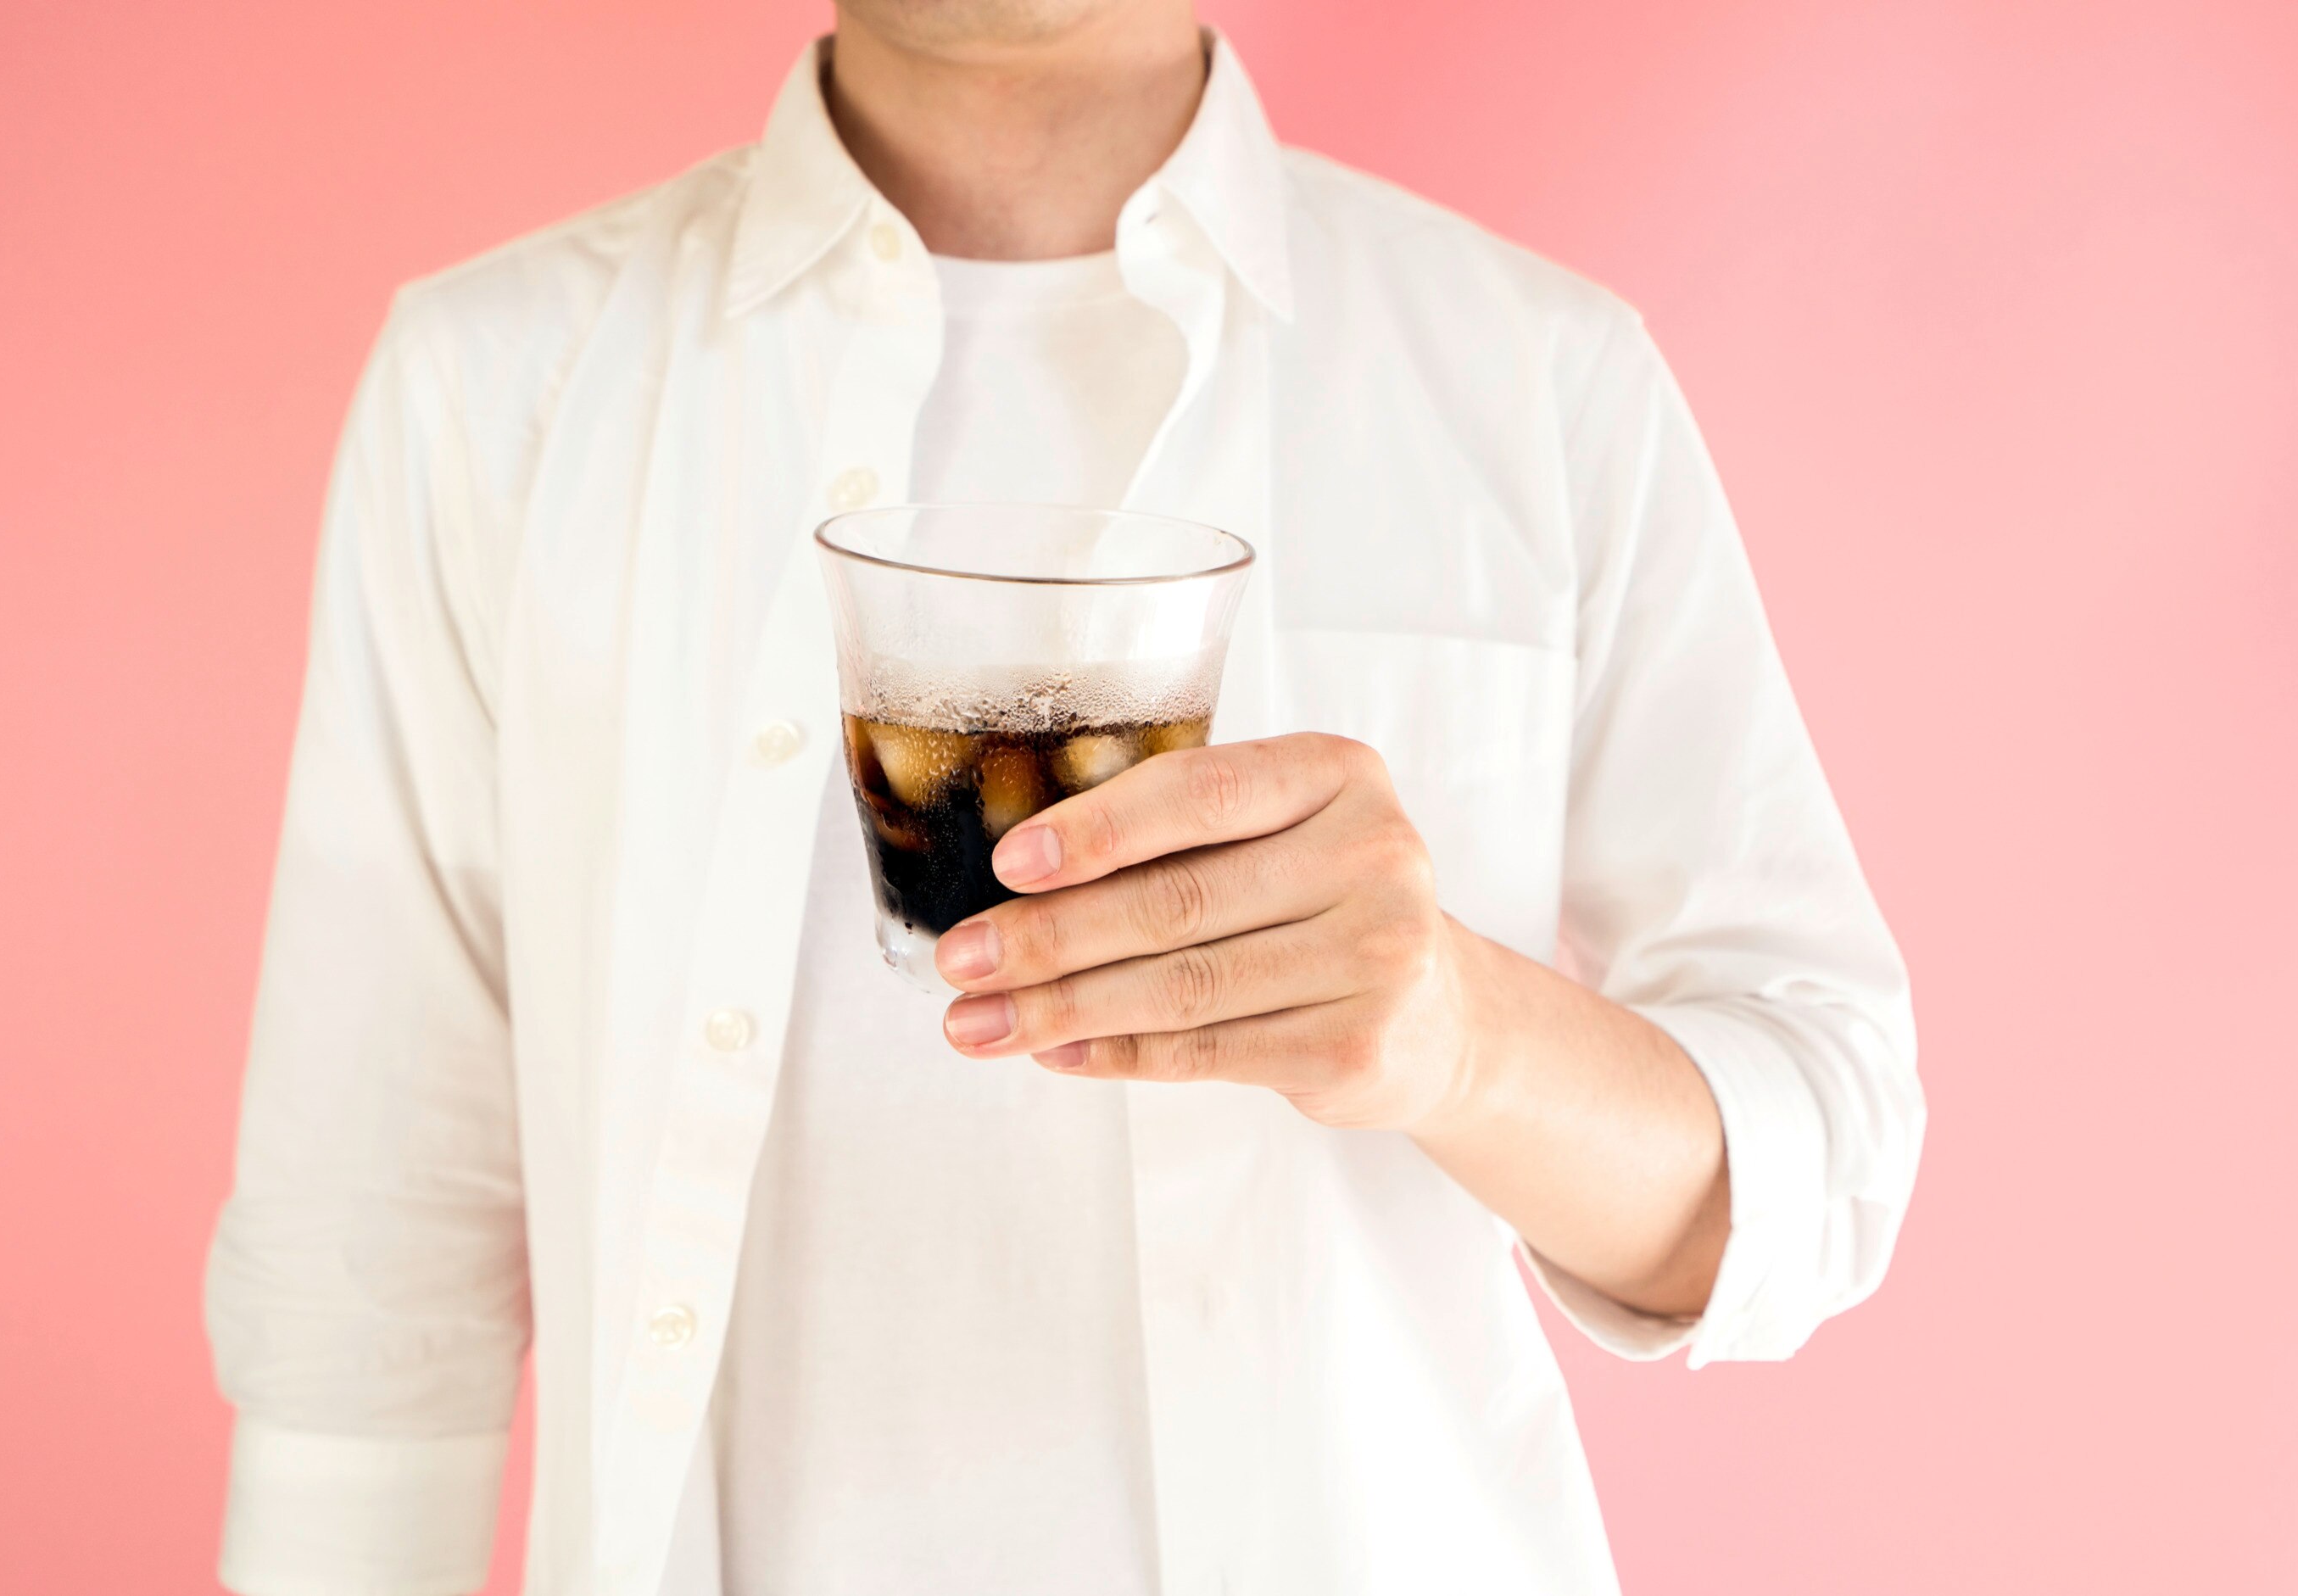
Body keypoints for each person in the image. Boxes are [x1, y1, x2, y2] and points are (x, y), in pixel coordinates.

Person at [206, 2, 1924, 1593]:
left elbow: (1819, 1166)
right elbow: (369, 1249)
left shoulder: (1539, 383)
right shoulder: (494, 394)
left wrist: (1463, 1034)